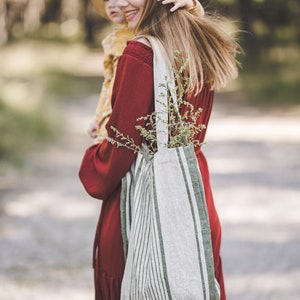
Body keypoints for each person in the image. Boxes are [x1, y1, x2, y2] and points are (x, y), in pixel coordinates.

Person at [79, 0, 239, 299]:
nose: (122, 2)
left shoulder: (141, 52)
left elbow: (121, 148)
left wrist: (92, 162)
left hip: (141, 192)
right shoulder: (200, 41)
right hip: (194, 196)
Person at [88, 0, 204, 141]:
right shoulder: (112, 41)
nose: (116, 4)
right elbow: (108, 82)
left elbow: (189, 25)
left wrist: (192, 5)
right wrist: (98, 117)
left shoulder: (149, 31)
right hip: (113, 112)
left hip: (137, 117)